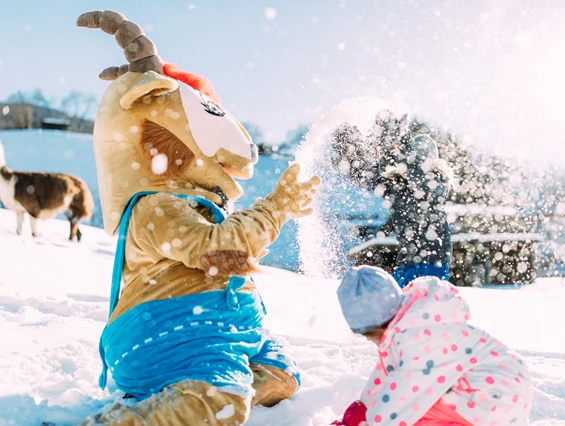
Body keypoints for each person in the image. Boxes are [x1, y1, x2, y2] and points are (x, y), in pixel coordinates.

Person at [76, 10, 321, 426]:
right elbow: (219, 248)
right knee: (220, 402)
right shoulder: (156, 205)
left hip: (218, 332)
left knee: (283, 377)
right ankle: (132, 417)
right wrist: (277, 206)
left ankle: (222, 378)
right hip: (168, 336)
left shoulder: (194, 202)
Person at [331, 133, 533, 425]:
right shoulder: (409, 185)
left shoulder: (428, 180)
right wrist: (365, 404)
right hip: (417, 254)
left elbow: (398, 405)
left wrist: (368, 419)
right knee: (403, 315)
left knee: (413, 322)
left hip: (428, 256)